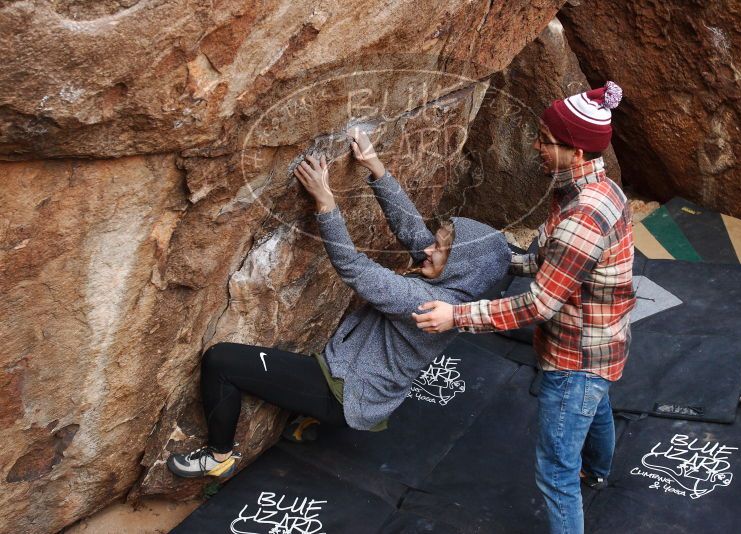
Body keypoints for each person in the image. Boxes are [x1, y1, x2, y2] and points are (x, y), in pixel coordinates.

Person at [166, 129, 511, 478]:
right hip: (366, 382)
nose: (427, 249)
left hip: (343, 392)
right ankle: (310, 416)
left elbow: (355, 268)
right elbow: (411, 230)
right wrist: (376, 169)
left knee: (221, 361)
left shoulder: (425, 303)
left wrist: (326, 202)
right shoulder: (452, 283)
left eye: (440, 250)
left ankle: (219, 456)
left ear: (460, 269)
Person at [412, 82, 636, 534]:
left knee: (555, 472)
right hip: (602, 344)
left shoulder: (582, 218)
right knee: (598, 408)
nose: (536, 146)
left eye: (545, 140)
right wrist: (465, 257)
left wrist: (455, 315)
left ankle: (584, 481)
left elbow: (539, 303)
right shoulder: (591, 190)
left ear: (574, 151)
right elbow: (541, 259)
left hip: (576, 359)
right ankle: (598, 471)